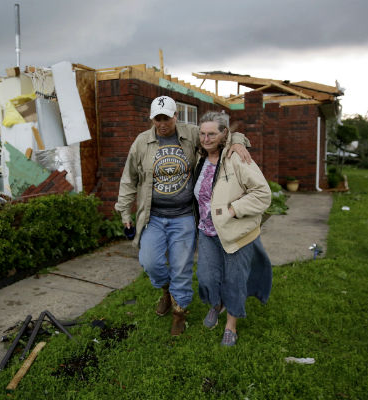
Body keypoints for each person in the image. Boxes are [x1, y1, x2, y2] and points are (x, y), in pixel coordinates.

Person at [115, 96, 252, 336]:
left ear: (175, 116)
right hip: (153, 217)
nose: (162, 123)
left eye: (166, 118)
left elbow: (220, 133)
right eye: (157, 119)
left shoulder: (191, 133)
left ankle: (180, 311)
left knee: (181, 266)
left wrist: (238, 141)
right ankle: (166, 293)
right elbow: (129, 179)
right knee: (151, 262)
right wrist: (125, 212)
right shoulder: (141, 142)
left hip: (183, 216)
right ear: (152, 119)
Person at [193, 111, 272, 346]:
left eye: (212, 134)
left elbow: (263, 193)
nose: (206, 139)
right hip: (207, 231)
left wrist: (233, 210)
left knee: (235, 280)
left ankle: (231, 325)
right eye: (202, 133)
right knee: (206, 277)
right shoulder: (200, 158)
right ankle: (216, 303)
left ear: (224, 134)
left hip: (236, 233)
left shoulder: (236, 158)